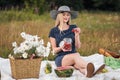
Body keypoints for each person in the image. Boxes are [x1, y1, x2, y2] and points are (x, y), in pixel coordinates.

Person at [49, 5, 105, 78]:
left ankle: (87, 72)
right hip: (61, 58)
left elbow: (78, 46)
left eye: (68, 15)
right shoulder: (53, 31)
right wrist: (61, 48)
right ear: (59, 16)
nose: (66, 17)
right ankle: (94, 66)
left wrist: (77, 35)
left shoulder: (73, 27)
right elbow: (54, 50)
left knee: (78, 65)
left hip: (74, 56)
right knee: (76, 56)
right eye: (64, 15)